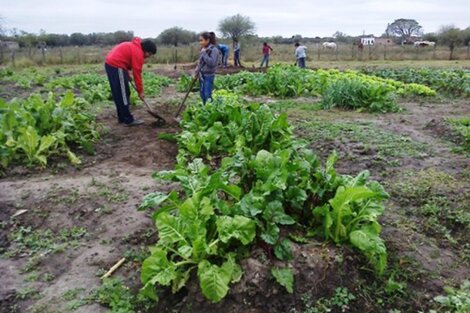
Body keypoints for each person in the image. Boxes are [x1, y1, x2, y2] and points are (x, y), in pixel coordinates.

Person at [105, 37, 156, 126]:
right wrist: (141, 91)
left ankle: (122, 118)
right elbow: (137, 73)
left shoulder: (134, 46)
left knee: (118, 93)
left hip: (111, 65)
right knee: (124, 94)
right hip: (117, 66)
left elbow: (124, 58)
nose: (148, 56)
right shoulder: (138, 53)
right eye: (150, 54)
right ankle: (128, 120)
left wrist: (126, 74)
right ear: (147, 51)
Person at [194, 32, 220, 104]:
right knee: (202, 95)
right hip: (201, 75)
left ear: (207, 40)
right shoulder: (203, 49)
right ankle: (205, 110)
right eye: (199, 40)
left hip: (209, 76)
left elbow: (212, 63)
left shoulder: (214, 50)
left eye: (201, 40)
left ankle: (210, 111)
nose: (200, 42)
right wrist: (195, 73)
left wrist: (204, 54)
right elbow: (200, 63)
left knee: (207, 95)